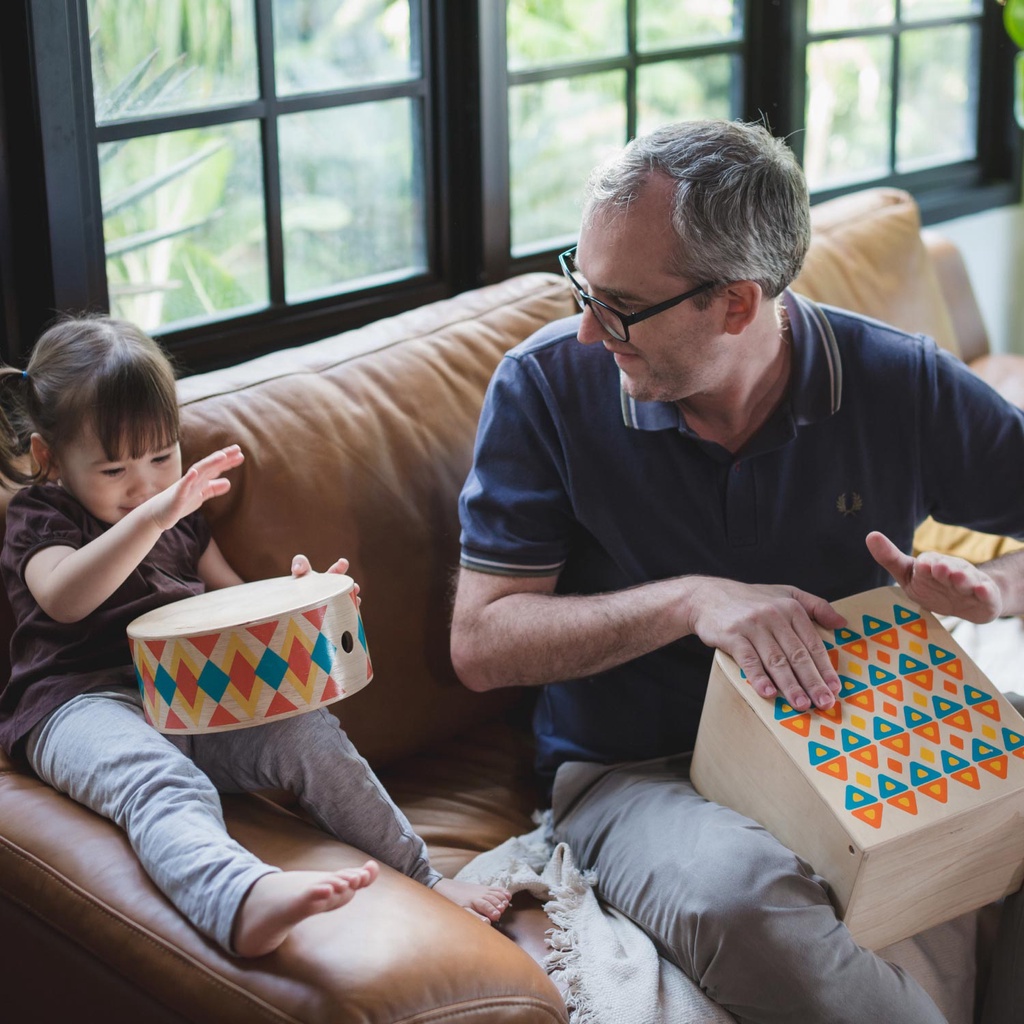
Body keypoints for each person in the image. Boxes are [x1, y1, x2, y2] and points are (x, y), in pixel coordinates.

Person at [449, 118, 1024, 1023]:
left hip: (858, 726)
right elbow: (482, 642)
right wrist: (690, 601)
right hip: (640, 770)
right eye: (582, 287)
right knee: (743, 898)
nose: (590, 331)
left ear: (737, 304)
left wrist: (1000, 592)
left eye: (620, 305)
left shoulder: (897, 381)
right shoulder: (544, 388)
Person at [0, 315, 508, 958]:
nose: (146, 485)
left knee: (308, 730)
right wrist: (153, 517)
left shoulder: (184, 519)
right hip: (79, 705)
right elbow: (64, 597)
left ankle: (422, 874)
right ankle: (240, 899)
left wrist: (303, 602)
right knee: (163, 781)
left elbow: (234, 610)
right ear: (49, 457)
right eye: (114, 469)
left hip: (189, 697)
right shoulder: (43, 516)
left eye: (161, 457)